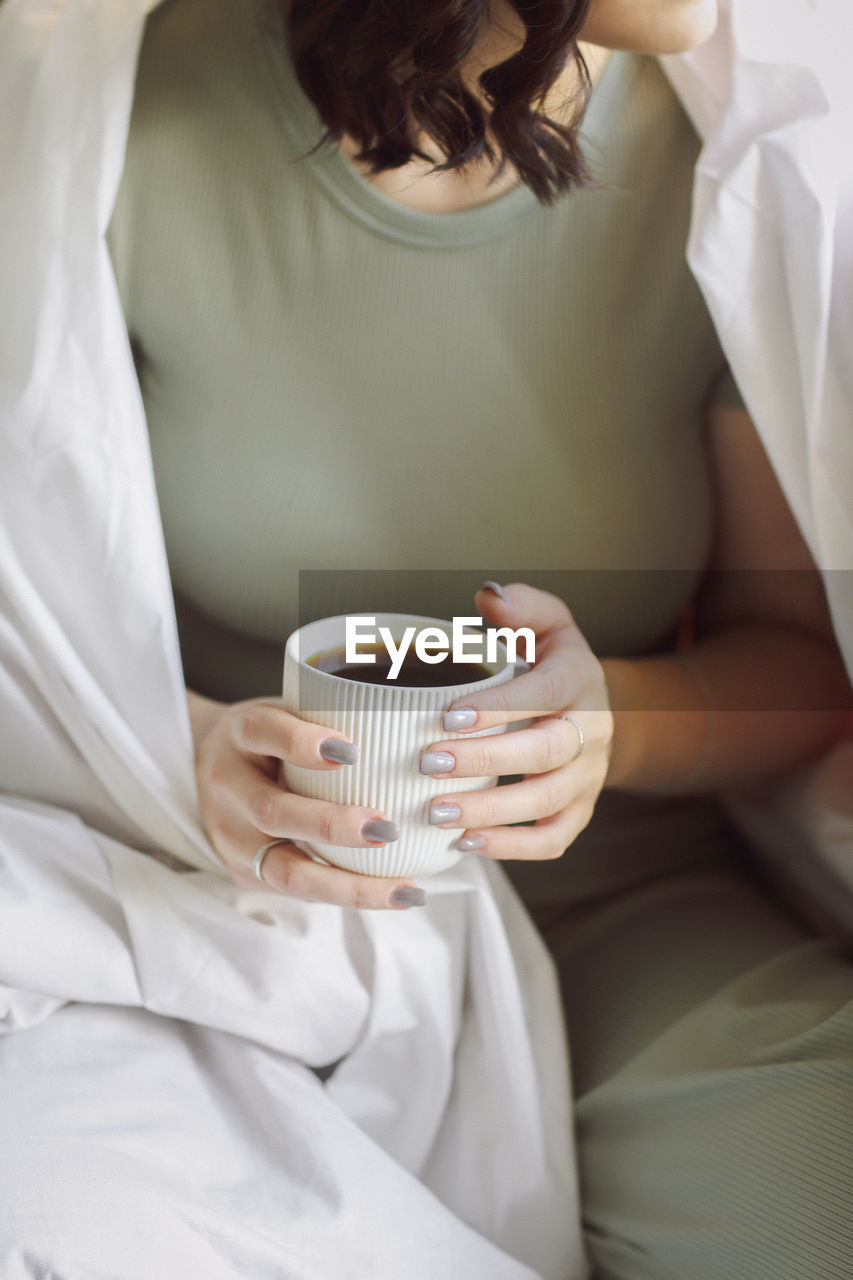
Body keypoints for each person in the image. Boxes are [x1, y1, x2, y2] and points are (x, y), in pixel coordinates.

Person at [2, 0, 852, 1277]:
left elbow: (799, 667)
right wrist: (188, 754)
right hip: (211, 908)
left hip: (629, 918)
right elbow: (33, 640)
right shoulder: (100, 118)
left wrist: (602, 725)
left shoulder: (753, 154)